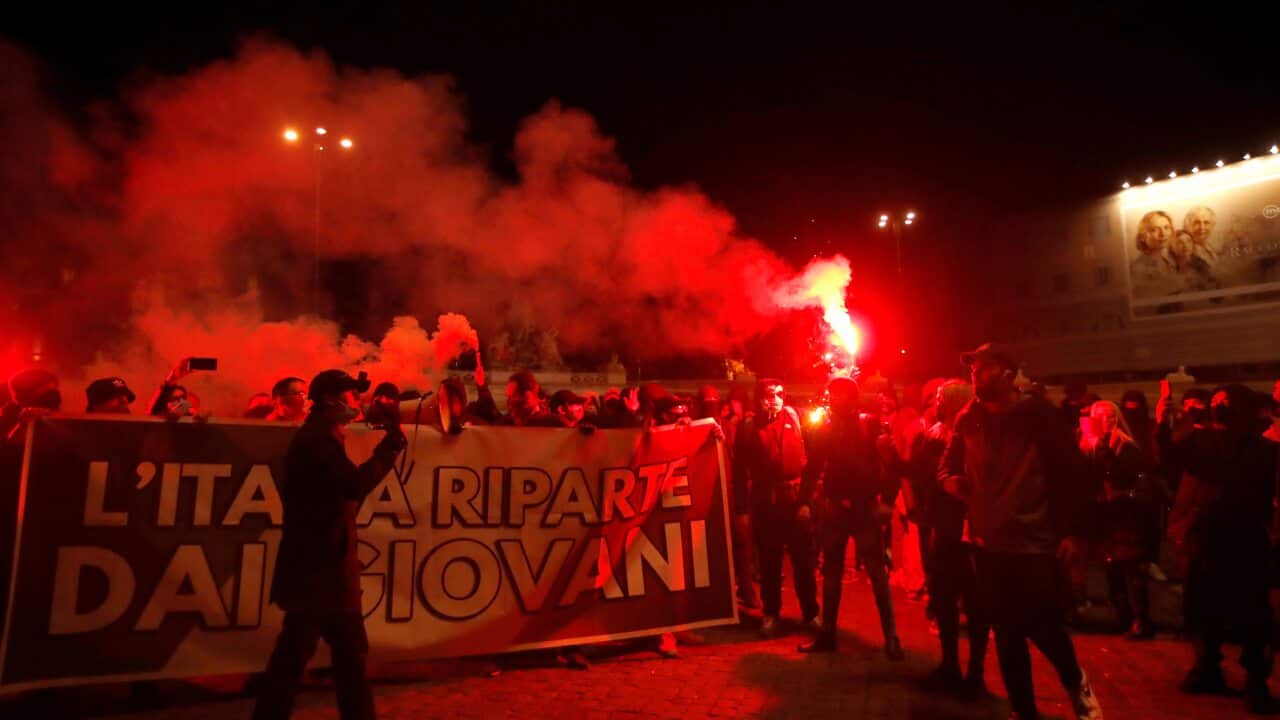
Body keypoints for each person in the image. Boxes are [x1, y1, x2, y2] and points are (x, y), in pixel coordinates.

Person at [940, 343, 1102, 720]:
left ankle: (1074, 679)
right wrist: (953, 484)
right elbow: (947, 465)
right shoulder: (969, 418)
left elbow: (1072, 475)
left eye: (983, 370)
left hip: (1032, 541)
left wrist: (1074, 532)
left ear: (1008, 375)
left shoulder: (1038, 416)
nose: (975, 377)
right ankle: (1025, 711)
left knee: (1040, 622)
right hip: (985, 542)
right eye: (973, 371)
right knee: (1006, 631)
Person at [253, 369, 406, 720]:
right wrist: (391, 445)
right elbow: (352, 485)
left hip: (323, 568)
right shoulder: (317, 442)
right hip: (321, 571)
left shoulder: (322, 437)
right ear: (329, 400)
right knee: (319, 659)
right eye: (351, 396)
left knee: (314, 657)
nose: (356, 403)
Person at [1161, 384, 1278, 713]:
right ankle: (1207, 667)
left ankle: (1255, 679)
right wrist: (1168, 425)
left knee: (1253, 613)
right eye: (1216, 402)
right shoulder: (1203, 444)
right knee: (1204, 607)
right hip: (1210, 537)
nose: (1218, 408)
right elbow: (1171, 465)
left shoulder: (1263, 450)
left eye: (1225, 403)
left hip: (1246, 537)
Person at [798, 377, 903, 659]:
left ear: (851, 398)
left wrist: (888, 503)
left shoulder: (870, 425)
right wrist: (804, 502)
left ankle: (892, 638)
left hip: (864, 509)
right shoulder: (827, 428)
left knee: (877, 574)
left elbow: (892, 464)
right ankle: (828, 634)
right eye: (830, 394)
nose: (831, 399)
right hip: (835, 508)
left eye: (837, 395)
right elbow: (814, 466)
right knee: (831, 574)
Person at [918, 379, 989, 694]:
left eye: (939, 397)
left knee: (975, 603)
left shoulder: (972, 438)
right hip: (947, 527)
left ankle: (974, 671)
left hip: (969, 529)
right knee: (946, 599)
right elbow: (923, 478)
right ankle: (951, 665)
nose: (935, 401)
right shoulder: (934, 437)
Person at [733, 378, 818, 638]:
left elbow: (813, 459)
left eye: (780, 394)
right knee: (769, 563)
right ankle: (771, 613)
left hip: (794, 502)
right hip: (765, 502)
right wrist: (742, 509)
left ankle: (811, 613)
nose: (775, 399)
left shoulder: (796, 417)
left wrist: (806, 500)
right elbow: (738, 469)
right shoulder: (748, 426)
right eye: (769, 395)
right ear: (758, 398)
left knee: (803, 560)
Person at [1080, 401, 1156, 639]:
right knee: (1112, 566)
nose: (1108, 419)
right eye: (1101, 415)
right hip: (1107, 514)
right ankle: (1123, 618)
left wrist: (1104, 452)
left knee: (1130, 566)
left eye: (1111, 415)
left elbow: (1121, 475)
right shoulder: (1091, 444)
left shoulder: (1123, 443)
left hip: (1125, 513)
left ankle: (1141, 621)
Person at [1, 368, 60, 441]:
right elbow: (8, 447)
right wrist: (22, 424)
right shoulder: (10, 415)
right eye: (45, 391)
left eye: (54, 390)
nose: (53, 396)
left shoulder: (60, 418)